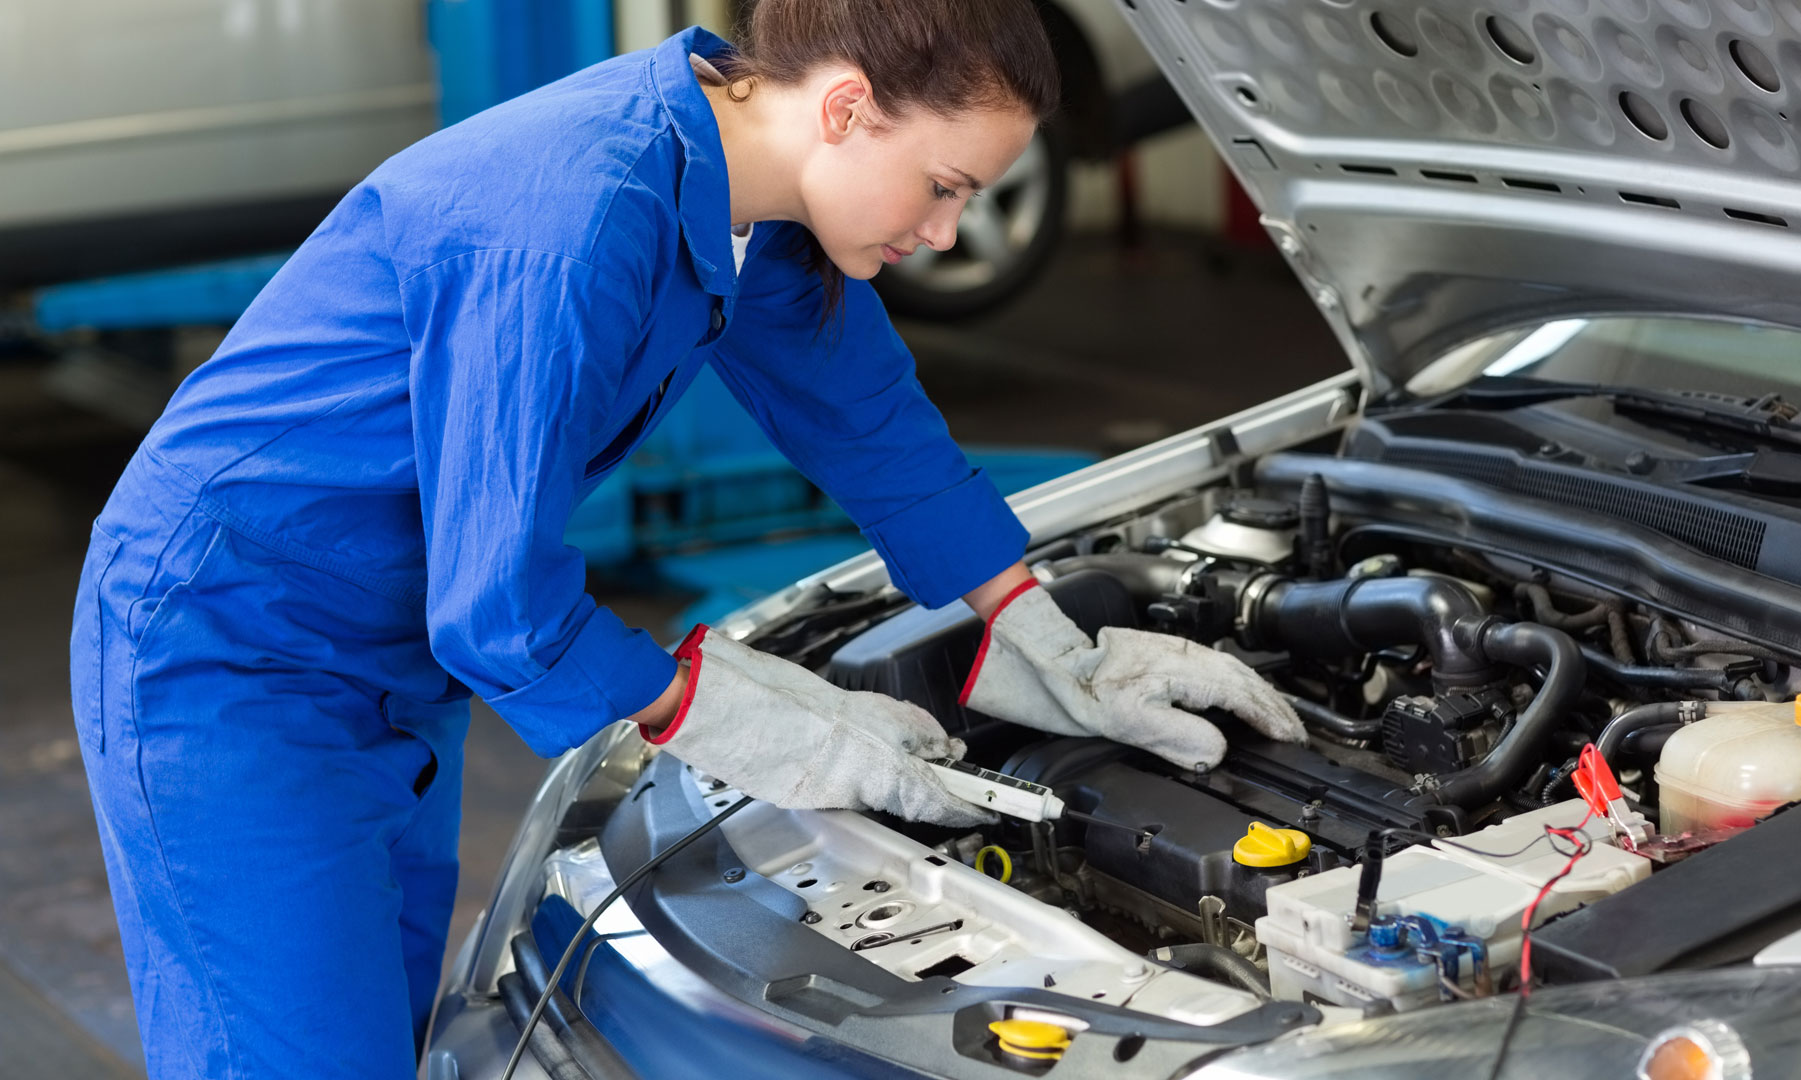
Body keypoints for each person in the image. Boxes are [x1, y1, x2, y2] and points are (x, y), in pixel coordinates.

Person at [68, 1, 1304, 1076]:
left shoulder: (740, 197)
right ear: (848, 108)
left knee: (380, 1035)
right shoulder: (581, 211)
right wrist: (727, 714)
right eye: (943, 187)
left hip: (384, 656)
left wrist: (1031, 628)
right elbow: (497, 609)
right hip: (228, 649)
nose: (945, 233)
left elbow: (868, 417)